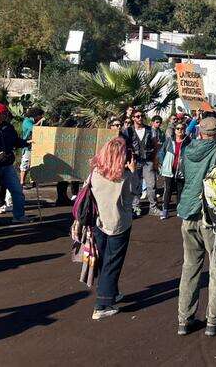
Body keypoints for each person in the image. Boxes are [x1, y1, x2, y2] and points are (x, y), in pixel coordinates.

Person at [177, 117, 216, 337]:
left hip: (188, 213)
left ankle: (184, 319)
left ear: (200, 132)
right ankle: (213, 320)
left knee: (190, 266)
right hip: (212, 216)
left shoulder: (188, 150)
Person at [89, 137, 138, 320]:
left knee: (103, 260)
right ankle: (102, 304)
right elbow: (135, 192)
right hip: (119, 223)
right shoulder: (124, 177)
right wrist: (133, 172)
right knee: (112, 262)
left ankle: (112, 292)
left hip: (99, 222)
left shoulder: (95, 172)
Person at [0, 103, 31, 223]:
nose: (7, 115)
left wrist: (26, 142)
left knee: (17, 191)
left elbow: (15, 141)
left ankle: (19, 216)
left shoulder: (8, 127)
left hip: (7, 166)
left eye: (6, 114)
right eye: (5, 113)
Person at [121, 109, 159, 217]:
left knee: (151, 185)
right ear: (133, 118)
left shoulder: (150, 130)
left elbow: (156, 145)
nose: (140, 118)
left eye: (141, 116)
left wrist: (155, 159)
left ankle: (153, 207)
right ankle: (135, 207)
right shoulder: (128, 131)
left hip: (148, 160)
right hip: (135, 161)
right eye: (137, 116)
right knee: (135, 185)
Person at [159, 122, 191, 220]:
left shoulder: (188, 141)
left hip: (181, 169)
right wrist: (163, 162)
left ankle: (180, 210)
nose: (180, 130)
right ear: (174, 130)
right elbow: (161, 152)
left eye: (182, 128)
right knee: (168, 189)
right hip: (169, 169)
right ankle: (165, 210)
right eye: (178, 128)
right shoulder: (169, 141)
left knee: (180, 190)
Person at [20, 107, 44, 187]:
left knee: (34, 163)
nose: (41, 117)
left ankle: (33, 181)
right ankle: (22, 182)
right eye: (40, 116)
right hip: (27, 146)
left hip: (35, 145)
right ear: (36, 115)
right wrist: (40, 122)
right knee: (25, 164)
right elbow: (34, 128)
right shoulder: (27, 121)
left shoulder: (33, 121)